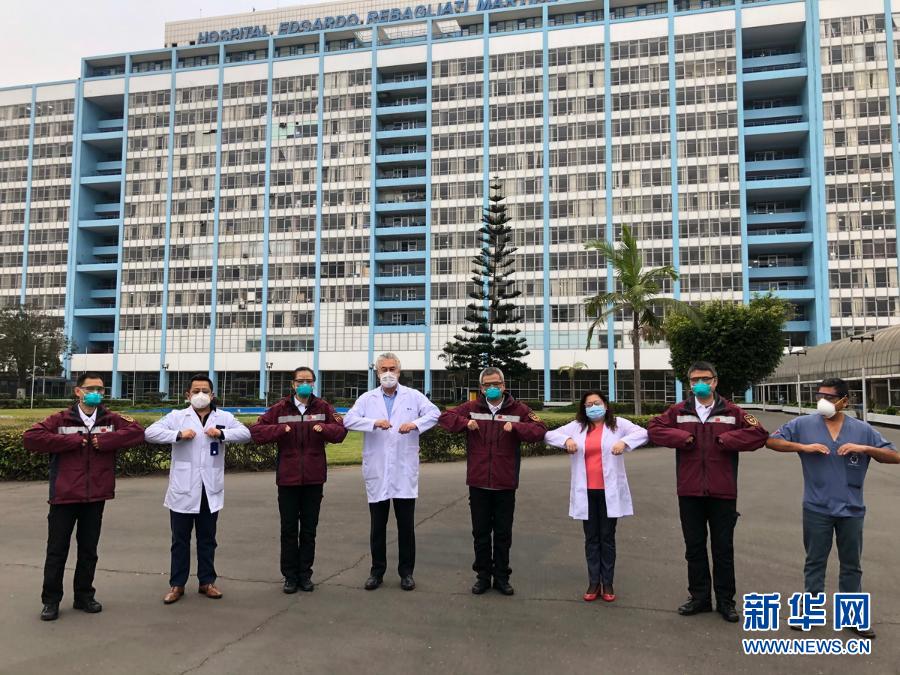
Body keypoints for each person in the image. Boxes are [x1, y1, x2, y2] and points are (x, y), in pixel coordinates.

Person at [766, 377, 898, 639]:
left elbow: (894, 456)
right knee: (815, 562)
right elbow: (772, 441)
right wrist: (802, 447)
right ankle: (809, 612)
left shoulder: (862, 430)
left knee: (852, 565)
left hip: (851, 509)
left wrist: (865, 448)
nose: (822, 401)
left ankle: (853, 617)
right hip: (817, 507)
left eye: (829, 397)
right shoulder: (803, 425)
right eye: (819, 396)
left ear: (844, 401)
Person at [647, 361, 769, 623]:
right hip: (689, 491)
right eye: (694, 380)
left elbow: (759, 434)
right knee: (694, 547)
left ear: (715, 381)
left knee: (723, 549)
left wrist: (727, 440)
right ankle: (699, 598)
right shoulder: (679, 411)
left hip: (722, 492)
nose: (699, 383)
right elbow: (654, 429)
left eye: (704, 378)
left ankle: (726, 601)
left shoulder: (732, 412)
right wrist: (682, 438)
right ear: (689, 384)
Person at [23, 372, 145, 621]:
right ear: (78, 392)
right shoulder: (60, 419)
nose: (96, 393)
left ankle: (84, 596)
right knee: (57, 550)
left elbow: (137, 432)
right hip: (64, 495)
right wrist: (71, 441)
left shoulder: (110, 419)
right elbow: (31, 438)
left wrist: (106, 440)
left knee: (89, 549)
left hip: (96, 495)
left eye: (100, 389)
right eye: (91, 389)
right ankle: (51, 600)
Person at [438, 367, 547, 596]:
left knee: (503, 534)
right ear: (481, 388)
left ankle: (502, 577)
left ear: (504, 385)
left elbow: (540, 429)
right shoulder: (472, 408)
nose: (492, 388)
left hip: (505, 483)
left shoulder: (518, 409)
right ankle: (482, 576)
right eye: (487, 385)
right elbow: (445, 417)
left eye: (496, 384)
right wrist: (465, 423)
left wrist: (516, 427)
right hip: (478, 482)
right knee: (480, 533)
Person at [145, 374, 251, 604]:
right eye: (196, 391)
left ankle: (207, 582)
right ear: (188, 395)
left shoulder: (224, 417)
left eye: (205, 391)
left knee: (207, 539)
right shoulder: (177, 417)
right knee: (180, 540)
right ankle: (177, 584)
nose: (200, 395)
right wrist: (178, 435)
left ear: (213, 395)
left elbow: (246, 434)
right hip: (183, 489)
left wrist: (222, 434)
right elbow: (150, 433)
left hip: (209, 489)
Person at [343, 353, 440, 592]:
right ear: (377, 372)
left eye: (392, 368)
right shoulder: (367, 398)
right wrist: (373, 423)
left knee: (406, 527)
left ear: (399, 371)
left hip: (403, 471)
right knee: (378, 526)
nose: (388, 373)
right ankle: (377, 572)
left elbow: (434, 414)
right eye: (384, 369)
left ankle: (406, 573)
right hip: (378, 470)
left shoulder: (413, 396)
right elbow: (348, 420)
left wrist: (415, 424)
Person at [250, 367, 348, 594]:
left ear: (314, 383)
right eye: (300, 381)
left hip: (314, 478)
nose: (304, 384)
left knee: (309, 530)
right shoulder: (280, 408)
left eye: (308, 381)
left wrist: (323, 429)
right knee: (289, 530)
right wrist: (280, 430)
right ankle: (290, 576)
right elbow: (257, 432)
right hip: (288, 478)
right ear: (293, 384)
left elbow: (341, 432)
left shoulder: (323, 407)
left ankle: (305, 575)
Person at [544, 390, 648, 602]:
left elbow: (644, 433)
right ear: (583, 408)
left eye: (597, 403)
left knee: (607, 537)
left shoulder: (617, 425)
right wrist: (566, 440)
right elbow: (548, 435)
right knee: (591, 538)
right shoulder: (577, 427)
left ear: (605, 405)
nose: (593, 407)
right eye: (589, 404)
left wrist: (624, 442)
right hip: (586, 491)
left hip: (609, 491)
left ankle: (607, 582)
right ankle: (593, 582)